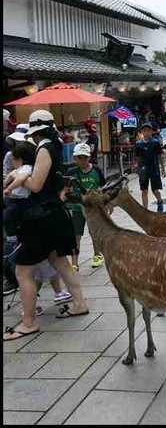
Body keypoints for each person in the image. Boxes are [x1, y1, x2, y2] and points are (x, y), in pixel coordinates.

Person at [3, 109, 89, 341]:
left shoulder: (44, 148)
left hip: (40, 218)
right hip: (55, 215)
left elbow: (36, 184)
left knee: (23, 272)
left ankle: (29, 322)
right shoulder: (58, 144)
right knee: (60, 262)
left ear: (36, 131)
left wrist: (17, 176)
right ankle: (79, 303)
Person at [67, 142, 107, 269]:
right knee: (76, 236)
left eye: (84, 157)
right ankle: (74, 263)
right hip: (77, 208)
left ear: (89, 157)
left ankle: (97, 255)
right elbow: (66, 188)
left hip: (93, 209)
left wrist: (106, 203)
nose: (82, 160)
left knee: (94, 233)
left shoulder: (96, 170)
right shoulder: (71, 172)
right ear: (75, 158)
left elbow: (103, 185)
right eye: (79, 157)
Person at [134, 122, 164, 212]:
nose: (146, 132)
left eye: (148, 130)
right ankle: (145, 210)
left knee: (155, 190)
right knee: (144, 190)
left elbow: (159, 156)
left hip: (154, 169)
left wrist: (163, 168)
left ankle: (160, 201)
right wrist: (137, 166)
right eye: (144, 130)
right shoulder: (139, 144)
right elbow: (138, 157)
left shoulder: (155, 143)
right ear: (142, 132)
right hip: (143, 170)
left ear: (151, 131)